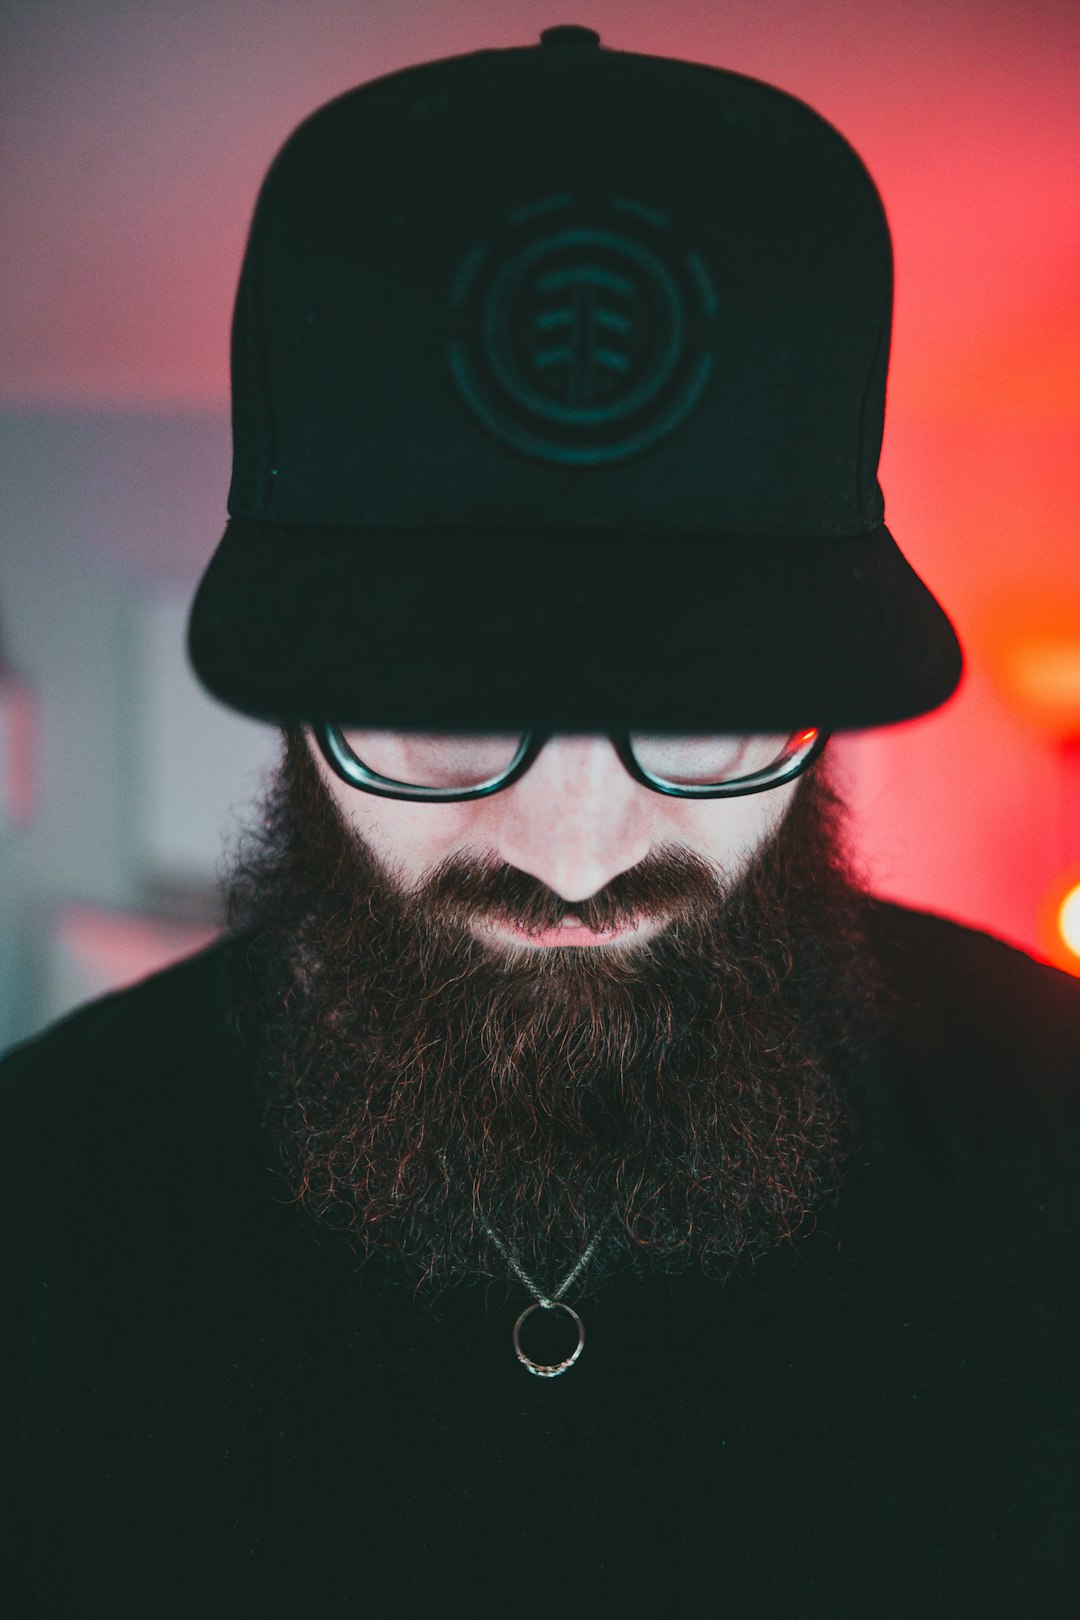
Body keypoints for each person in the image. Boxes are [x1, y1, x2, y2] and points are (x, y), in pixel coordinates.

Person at [2, 25, 1078, 1619]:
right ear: (300, 706)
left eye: (701, 708)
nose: (574, 851)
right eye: (441, 705)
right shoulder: (39, 1207)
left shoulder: (1053, 1136)